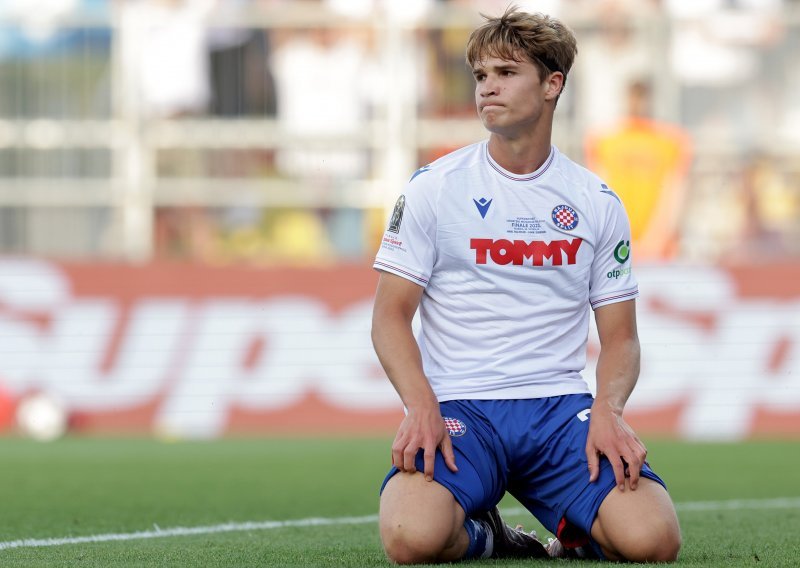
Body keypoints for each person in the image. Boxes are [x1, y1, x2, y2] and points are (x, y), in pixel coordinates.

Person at [370, 6, 681, 564]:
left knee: (653, 541)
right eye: (481, 75)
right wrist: (420, 405)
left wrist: (609, 410)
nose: (487, 87)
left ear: (552, 85)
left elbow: (621, 338)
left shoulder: (596, 201)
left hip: (559, 411)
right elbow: (389, 317)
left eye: (506, 73)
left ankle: (576, 536)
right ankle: (493, 537)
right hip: (461, 409)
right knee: (410, 537)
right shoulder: (433, 188)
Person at [585, 79, 692, 261]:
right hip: (615, 241)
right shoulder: (603, 140)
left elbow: (674, 190)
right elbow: (599, 188)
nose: (638, 104)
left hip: (658, 247)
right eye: (635, 97)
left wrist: (657, 238)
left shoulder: (671, 141)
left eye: (642, 98)